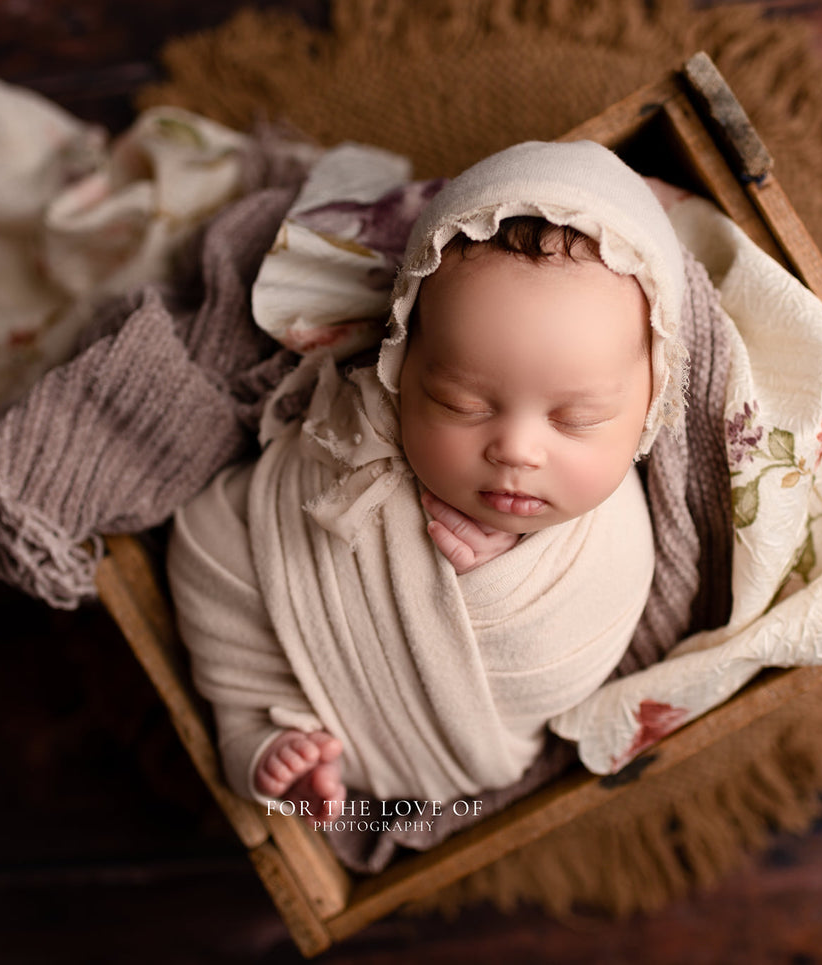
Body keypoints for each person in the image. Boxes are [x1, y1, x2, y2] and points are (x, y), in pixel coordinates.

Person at [167, 140, 687, 820]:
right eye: (461, 404)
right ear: (398, 365)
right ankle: (261, 741)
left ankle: (285, 754)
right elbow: (226, 531)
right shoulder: (347, 438)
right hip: (294, 667)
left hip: (478, 747)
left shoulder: (608, 536)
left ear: (649, 410)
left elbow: (569, 664)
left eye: (577, 418)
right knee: (219, 557)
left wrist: (505, 579)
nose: (515, 449)